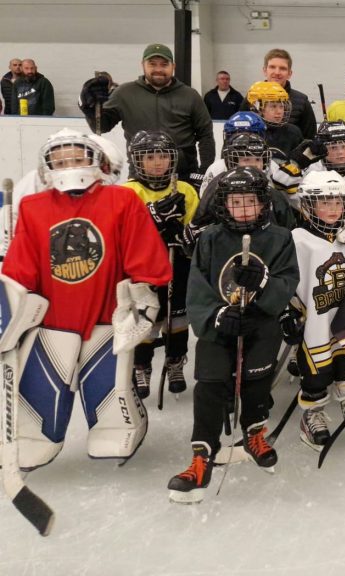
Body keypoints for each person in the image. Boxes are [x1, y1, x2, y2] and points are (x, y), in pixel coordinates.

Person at [4, 130, 171, 471]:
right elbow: (20, 270)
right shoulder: (33, 207)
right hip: (53, 322)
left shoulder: (121, 200)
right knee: (41, 387)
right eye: (60, 160)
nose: (69, 165)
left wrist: (143, 296)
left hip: (107, 317)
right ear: (47, 166)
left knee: (107, 389)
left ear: (97, 161)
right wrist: (10, 308)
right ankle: (37, 433)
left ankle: (120, 425)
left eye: (77, 157)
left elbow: (143, 252)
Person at [169, 166, 299, 503]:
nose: (243, 209)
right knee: (210, 385)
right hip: (219, 326)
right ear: (223, 204)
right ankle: (202, 457)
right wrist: (218, 315)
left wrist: (264, 284)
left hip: (261, 324)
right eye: (236, 202)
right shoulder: (210, 238)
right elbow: (197, 285)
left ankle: (254, 434)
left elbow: (288, 280)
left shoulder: (280, 238)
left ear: (264, 203)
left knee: (257, 381)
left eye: (250, 201)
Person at [283, 170, 345, 449]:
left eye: (337, 202)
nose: (332, 208)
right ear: (308, 205)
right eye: (324, 202)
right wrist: (288, 313)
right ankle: (312, 413)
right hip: (315, 320)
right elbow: (286, 280)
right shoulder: (296, 238)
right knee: (315, 372)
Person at [123, 130, 200, 399]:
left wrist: (181, 235)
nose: (157, 163)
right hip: (141, 269)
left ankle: (175, 360)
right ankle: (141, 365)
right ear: (137, 161)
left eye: (163, 157)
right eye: (150, 157)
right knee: (145, 318)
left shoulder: (185, 190)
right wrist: (154, 222)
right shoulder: (128, 191)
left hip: (177, 265)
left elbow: (195, 230)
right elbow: (123, 231)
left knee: (177, 317)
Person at [79, 43, 215, 188]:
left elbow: (205, 135)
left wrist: (205, 170)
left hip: (182, 177)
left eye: (164, 64)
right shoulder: (124, 93)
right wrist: (88, 107)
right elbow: (101, 126)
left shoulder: (190, 95)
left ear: (173, 66)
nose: (158, 69)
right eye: (152, 64)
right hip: (140, 177)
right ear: (143, 65)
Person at [253, 48, 317, 139]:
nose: (277, 72)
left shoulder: (302, 101)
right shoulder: (252, 98)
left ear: (289, 73)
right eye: (272, 67)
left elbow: (310, 139)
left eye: (282, 68)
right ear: (265, 70)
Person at [246, 80, 303, 161]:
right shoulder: (247, 132)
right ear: (258, 109)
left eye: (281, 106)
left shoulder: (293, 132)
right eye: (273, 106)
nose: (279, 111)